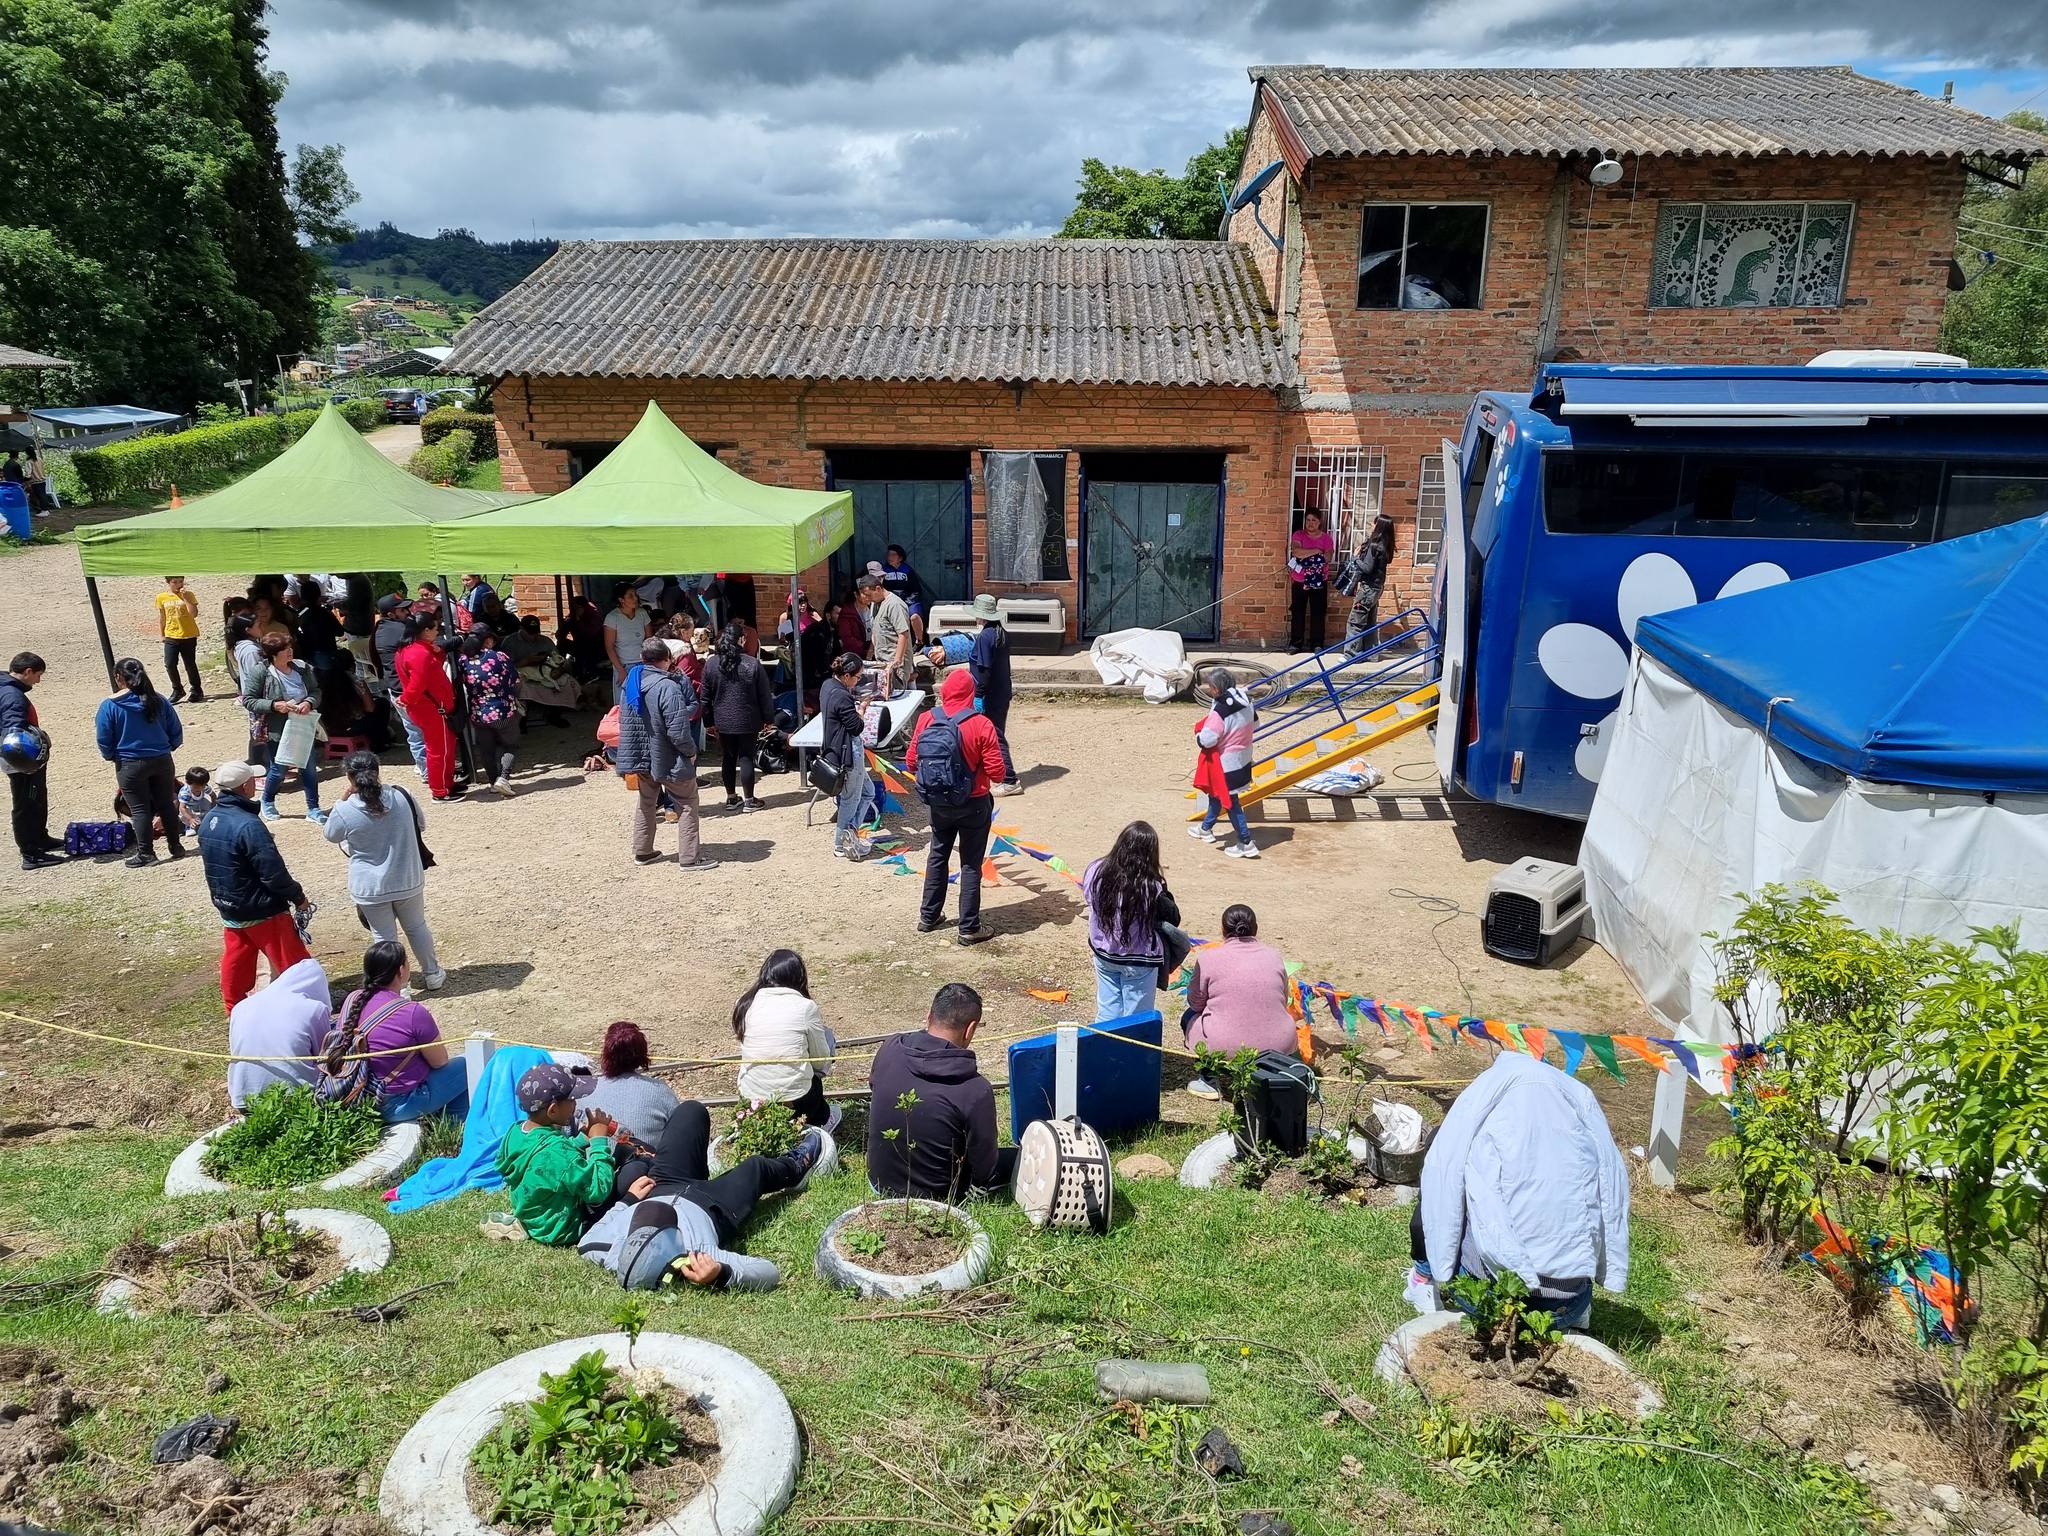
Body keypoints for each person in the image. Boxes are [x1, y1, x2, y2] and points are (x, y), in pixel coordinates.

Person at [1411, 1051, 1631, 1330]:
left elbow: (1441, 1174)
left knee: (1443, 1165)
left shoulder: (1485, 1090)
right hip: (1568, 1306)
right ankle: (1578, 1305)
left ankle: (1422, 1279)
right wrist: (1609, 1272)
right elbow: (1614, 1182)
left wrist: (1441, 1265)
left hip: (1492, 1300)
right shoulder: (1579, 1096)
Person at [579, 1099, 825, 1291]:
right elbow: (769, 1271)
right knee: (756, 1167)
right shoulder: (697, 1253)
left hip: (660, 1187)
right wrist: (720, 1273)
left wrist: (628, 1201)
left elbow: (586, 1241)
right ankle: (796, 1166)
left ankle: (698, 1169)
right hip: (713, 1206)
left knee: (690, 1111)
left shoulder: (602, 1249)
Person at [867, 983, 1016, 1199]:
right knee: (1018, 1158)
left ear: (928, 1017)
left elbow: (875, 1087)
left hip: (879, 1183)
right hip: (941, 1198)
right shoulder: (975, 1088)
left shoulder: (889, 1048)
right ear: (970, 1029)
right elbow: (984, 1163)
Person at [323, 751, 446, 990]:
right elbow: (421, 825)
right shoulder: (402, 795)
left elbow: (330, 835)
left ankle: (399, 989)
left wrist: (343, 800)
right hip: (407, 878)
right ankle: (432, 974)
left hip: (370, 887)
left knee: (384, 938)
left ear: (350, 778)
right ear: (377, 772)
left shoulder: (345, 809)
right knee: (417, 927)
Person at [197, 761, 313, 1012]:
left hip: (229, 904)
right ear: (245, 785)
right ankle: (309, 1004)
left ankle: (234, 1007)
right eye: (253, 780)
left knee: (237, 958)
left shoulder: (209, 819)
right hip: (261, 907)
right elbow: (272, 872)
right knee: (295, 964)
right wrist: (298, 897)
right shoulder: (249, 824)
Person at [906, 668, 1010, 945]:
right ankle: (968, 927)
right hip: (974, 802)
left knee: (937, 855)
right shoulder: (981, 723)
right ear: (971, 694)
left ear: (945, 692)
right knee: (971, 863)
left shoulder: (927, 718)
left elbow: (912, 762)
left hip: (938, 803)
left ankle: (929, 917)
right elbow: (998, 773)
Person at [333, 940, 467, 1122]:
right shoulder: (411, 1011)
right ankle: (455, 1127)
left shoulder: (352, 999)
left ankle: (448, 1125)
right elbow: (440, 1062)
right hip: (395, 1104)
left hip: (357, 1095)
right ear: (401, 970)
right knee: (468, 1064)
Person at [616, 637, 716, 871]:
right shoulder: (667, 686)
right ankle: (690, 857)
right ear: (668, 659)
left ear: (643, 659)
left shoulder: (630, 682)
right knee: (688, 802)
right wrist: (690, 752)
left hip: (640, 756)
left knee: (647, 802)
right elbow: (678, 730)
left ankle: (643, 851)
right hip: (667, 755)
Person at [1181, 904, 1296, 1098]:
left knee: (1188, 1016)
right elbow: (1283, 999)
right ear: (1256, 929)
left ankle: (1209, 1080)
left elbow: (1195, 1002)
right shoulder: (1274, 956)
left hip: (1224, 1046)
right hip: (1279, 1044)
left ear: (1223, 930)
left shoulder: (1208, 957)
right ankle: (1273, 1075)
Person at [1082, 821, 1178, 1024]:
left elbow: (1088, 898)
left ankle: (1104, 1049)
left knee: (1107, 1011)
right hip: (1139, 960)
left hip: (1104, 953)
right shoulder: (1151, 886)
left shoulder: (1095, 870)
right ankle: (1132, 1054)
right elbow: (1173, 918)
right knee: (1136, 1020)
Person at [94, 657, 186, 866]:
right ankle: (176, 846)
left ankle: (146, 853)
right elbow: (175, 729)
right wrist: (168, 746)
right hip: (162, 760)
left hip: (130, 763)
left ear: (119, 677)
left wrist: (110, 755)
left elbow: (104, 737)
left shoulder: (110, 705)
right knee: (166, 804)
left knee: (140, 809)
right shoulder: (159, 700)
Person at [733, 949, 837, 1126]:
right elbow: (821, 1061)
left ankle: (757, 1119)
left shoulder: (745, 1004)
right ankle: (821, 1119)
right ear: (799, 977)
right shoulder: (806, 1007)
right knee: (827, 1038)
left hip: (751, 1097)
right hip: (797, 1100)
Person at [240, 634, 326, 824]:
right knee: (279, 769)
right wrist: (274, 705)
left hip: (303, 725)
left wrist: (309, 703)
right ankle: (268, 800)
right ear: (273, 654)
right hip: (278, 728)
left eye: (290, 647)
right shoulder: (261, 672)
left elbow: (315, 691)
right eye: (285, 649)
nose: (290, 651)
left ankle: (314, 808)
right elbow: (249, 700)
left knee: (309, 767)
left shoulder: (302, 668)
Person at [226, 957, 331, 1112]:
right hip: (298, 1097)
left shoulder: (241, 1007)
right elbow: (324, 1056)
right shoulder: (314, 1009)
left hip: (244, 1098)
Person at [702, 620, 774, 813]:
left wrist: (708, 721)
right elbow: (764, 696)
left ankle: (731, 798)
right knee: (746, 758)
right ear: (741, 639)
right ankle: (749, 800)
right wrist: (769, 719)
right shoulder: (752, 664)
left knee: (728, 758)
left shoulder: (711, 664)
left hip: (722, 720)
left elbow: (705, 697)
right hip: (748, 718)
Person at [1190, 667, 1258, 859]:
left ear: (1216, 688)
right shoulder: (1247, 700)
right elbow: (1255, 725)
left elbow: (1208, 739)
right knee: (1217, 794)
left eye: (1211, 687)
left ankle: (1246, 842)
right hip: (1243, 757)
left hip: (1226, 762)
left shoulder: (1221, 708)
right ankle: (1206, 828)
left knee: (1230, 801)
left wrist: (1198, 736)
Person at [1, 652, 60, 871]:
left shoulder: (8, 688)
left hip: (24, 759)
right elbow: (13, 733)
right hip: (21, 760)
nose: (38, 680)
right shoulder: (12, 696)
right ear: (27, 672)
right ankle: (30, 853)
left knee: (36, 797)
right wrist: (26, 763)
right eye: (38, 675)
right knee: (26, 803)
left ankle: (40, 838)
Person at [396, 615, 462, 802]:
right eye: (434, 628)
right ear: (425, 631)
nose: (438, 631)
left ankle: (447, 783)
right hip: (432, 708)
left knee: (445, 747)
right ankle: (440, 790)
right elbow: (417, 683)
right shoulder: (418, 653)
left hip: (429, 707)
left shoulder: (410, 650)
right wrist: (407, 699)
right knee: (438, 750)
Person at [585, 1020, 681, 1147]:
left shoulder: (586, 1091)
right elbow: (680, 1133)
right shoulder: (660, 1091)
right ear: (642, 1053)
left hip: (593, 1165)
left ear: (606, 1053)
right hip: (647, 1164)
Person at [819, 651, 873, 859]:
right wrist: (861, 709)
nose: (858, 681)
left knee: (867, 792)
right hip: (848, 753)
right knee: (850, 799)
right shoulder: (842, 696)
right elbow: (856, 726)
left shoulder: (828, 686)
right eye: (858, 677)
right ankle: (841, 844)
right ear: (847, 675)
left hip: (837, 748)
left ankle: (851, 834)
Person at [967, 593, 1020, 795]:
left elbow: (984, 669)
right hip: (1002, 690)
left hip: (990, 693)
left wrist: (978, 694)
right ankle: (993, 771)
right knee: (996, 733)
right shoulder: (1001, 633)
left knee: (995, 735)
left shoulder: (986, 636)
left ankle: (1009, 779)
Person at [460, 629, 522, 797]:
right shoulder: (498, 656)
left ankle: (493, 781)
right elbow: (515, 681)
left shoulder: (462, 661)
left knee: (487, 749)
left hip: (478, 712)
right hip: (503, 709)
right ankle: (503, 778)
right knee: (511, 744)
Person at [1335, 513, 1398, 655]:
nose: (1372, 526)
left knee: (1356, 620)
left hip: (1368, 588)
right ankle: (1370, 653)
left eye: (1374, 523)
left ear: (1379, 526)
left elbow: (1367, 568)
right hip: (1377, 588)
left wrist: (1356, 558)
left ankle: (1351, 654)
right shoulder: (1386, 545)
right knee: (1369, 621)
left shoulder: (1374, 545)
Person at [506, 614, 579, 727]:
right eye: (530, 633)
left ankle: (555, 714)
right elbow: (505, 668)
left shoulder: (545, 641)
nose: (533, 636)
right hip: (522, 672)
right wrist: (526, 661)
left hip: (545, 671)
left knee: (567, 681)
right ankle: (522, 718)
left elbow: (558, 659)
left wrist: (560, 667)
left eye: (535, 633)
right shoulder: (510, 642)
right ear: (521, 629)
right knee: (519, 683)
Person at [859, 570, 915, 696]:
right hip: (882, 661)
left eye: (869, 595)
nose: (868, 599)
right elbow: (876, 630)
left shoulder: (894, 605)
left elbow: (903, 634)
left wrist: (896, 662)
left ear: (878, 589)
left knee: (895, 696)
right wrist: (870, 653)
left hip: (895, 665)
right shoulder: (875, 604)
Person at [1288, 509, 1335, 653]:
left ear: (1319, 522)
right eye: (1308, 520)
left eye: (1314, 520)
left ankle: (1317, 643)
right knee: (1298, 611)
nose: (1310, 523)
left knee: (1318, 612)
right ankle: (1296, 643)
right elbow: (1296, 552)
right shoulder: (1298, 535)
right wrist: (1316, 551)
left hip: (1319, 580)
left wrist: (1306, 555)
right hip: (1300, 579)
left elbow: (1327, 558)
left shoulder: (1326, 538)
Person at [156, 576, 205, 704]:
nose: (179, 584)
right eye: (175, 582)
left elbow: (193, 614)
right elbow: (162, 617)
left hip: (188, 635)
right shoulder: (162, 597)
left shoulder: (189, 595)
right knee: (170, 663)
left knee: (190, 664)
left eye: (181, 581)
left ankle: (196, 690)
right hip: (171, 635)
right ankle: (177, 689)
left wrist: (186, 598)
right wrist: (162, 634)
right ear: (168, 583)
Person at [602, 583, 650, 701]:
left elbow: (649, 640)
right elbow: (609, 647)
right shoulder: (612, 617)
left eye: (635, 595)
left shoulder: (642, 613)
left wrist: (649, 664)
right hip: (623, 666)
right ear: (621, 600)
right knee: (625, 703)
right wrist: (621, 671)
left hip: (643, 664)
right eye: (630, 596)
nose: (635, 598)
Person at [880, 543, 927, 644]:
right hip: (891, 602)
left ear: (900, 558)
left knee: (914, 616)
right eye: (888, 555)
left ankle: (920, 642)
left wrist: (907, 602)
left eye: (893, 555)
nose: (890, 557)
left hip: (909, 601)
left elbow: (916, 590)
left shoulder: (908, 571)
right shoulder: (884, 571)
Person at [177, 765, 216, 833]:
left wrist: (213, 806)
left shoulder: (205, 787)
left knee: (208, 808)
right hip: (189, 806)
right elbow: (182, 807)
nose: (199, 789)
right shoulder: (186, 792)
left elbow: (213, 796)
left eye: (202, 787)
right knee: (189, 815)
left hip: (200, 803)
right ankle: (190, 826)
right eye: (196, 787)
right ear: (188, 783)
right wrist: (190, 819)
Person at [834, 591, 868, 658]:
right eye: (864, 593)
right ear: (856, 594)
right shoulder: (847, 614)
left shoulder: (874, 608)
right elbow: (847, 638)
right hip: (854, 656)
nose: (868, 596)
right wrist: (864, 646)